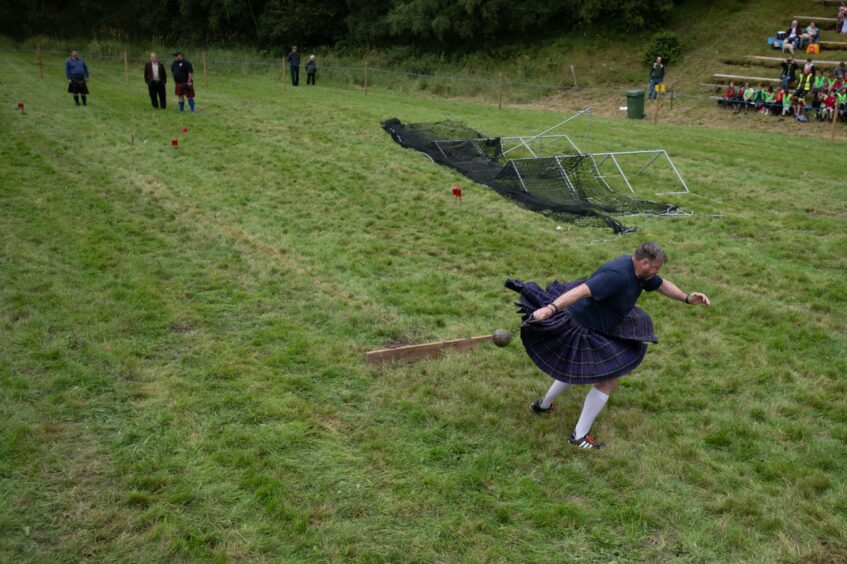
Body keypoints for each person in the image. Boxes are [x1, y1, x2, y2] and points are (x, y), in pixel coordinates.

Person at [506, 243, 710, 450]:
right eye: (656, 268)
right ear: (645, 262)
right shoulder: (617, 275)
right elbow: (581, 290)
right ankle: (579, 435)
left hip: (598, 324)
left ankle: (543, 406)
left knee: (575, 369)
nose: (657, 272)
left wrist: (686, 298)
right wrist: (550, 309)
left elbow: (660, 284)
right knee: (608, 381)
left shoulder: (642, 274)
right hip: (581, 326)